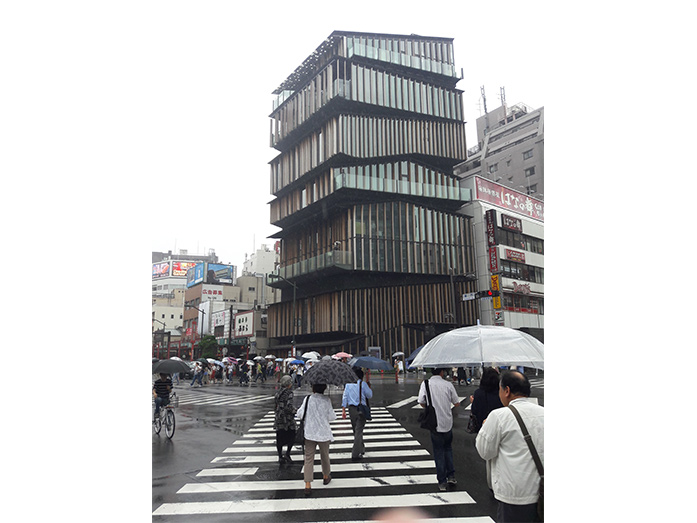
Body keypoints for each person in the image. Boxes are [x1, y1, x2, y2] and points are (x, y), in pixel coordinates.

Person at [475, 370, 544, 523]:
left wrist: (484, 427)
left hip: (515, 496)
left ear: (507, 391)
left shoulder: (499, 416)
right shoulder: (544, 413)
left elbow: (485, 452)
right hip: (542, 492)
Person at [418, 367, 460, 491]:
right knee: (448, 449)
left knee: (438, 452)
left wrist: (430, 405)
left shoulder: (425, 384)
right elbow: (457, 402)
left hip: (434, 423)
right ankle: (451, 476)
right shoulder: (448, 385)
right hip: (447, 422)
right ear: (442, 372)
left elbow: (421, 401)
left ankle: (442, 482)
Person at [296, 383, 336, 496]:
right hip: (323, 433)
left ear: (313, 388)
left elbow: (300, 414)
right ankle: (326, 476)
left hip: (310, 432)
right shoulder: (327, 400)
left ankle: (307, 484)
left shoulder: (308, 399)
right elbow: (331, 417)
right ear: (324, 388)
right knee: (325, 455)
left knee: (308, 458)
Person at [341, 368, 373, 461]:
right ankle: (355, 453)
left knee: (356, 430)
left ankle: (361, 448)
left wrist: (343, 409)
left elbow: (345, 396)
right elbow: (370, 395)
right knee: (358, 431)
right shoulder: (363, 384)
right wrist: (369, 387)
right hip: (361, 409)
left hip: (351, 409)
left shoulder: (348, 384)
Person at [469, 367, 504, 432]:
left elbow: (474, 411)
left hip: (482, 427)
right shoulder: (501, 393)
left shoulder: (478, 393)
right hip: (499, 426)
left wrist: (473, 402)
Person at [274, 375, 297, 464]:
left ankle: (280, 456)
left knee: (279, 436)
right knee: (292, 434)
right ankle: (287, 453)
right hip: (287, 419)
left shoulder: (278, 392)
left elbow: (275, 405)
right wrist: (294, 411)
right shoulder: (289, 393)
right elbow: (289, 406)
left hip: (279, 417)